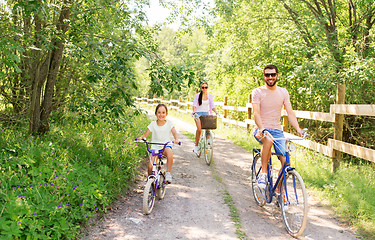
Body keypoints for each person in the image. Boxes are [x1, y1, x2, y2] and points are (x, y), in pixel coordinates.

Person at [252, 64, 302, 196]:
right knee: (268, 139)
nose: (270, 77)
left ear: (277, 76)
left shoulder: (283, 92)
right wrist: (262, 128)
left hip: (277, 130)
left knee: (286, 162)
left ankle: (278, 190)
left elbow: (290, 112)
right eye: (267, 75)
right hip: (261, 129)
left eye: (272, 75)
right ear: (264, 76)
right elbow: (256, 113)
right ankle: (263, 173)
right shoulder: (257, 92)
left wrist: (298, 129)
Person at [137, 104, 179, 183]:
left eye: (163, 112)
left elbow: (174, 132)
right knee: (150, 166)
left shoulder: (169, 124)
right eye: (159, 112)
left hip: (165, 146)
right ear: (156, 114)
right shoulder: (153, 124)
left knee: (170, 153)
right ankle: (150, 181)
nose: (161, 115)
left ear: (166, 114)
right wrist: (141, 138)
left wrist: (176, 139)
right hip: (155, 147)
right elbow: (145, 134)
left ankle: (168, 173)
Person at [192, 82, 218, 155]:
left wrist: (216, 112)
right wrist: (194, 112)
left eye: (206, 87)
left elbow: (212, 105)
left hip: (206, 113)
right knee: (199, 129)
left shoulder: (210, 96)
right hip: (198, 114)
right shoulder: (197, 95)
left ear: (207, 88)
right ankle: (196, 146)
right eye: (203, 87)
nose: (204, 89)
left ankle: (208, 140)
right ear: (201, 88)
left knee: (208, 127)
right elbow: (194, 105)